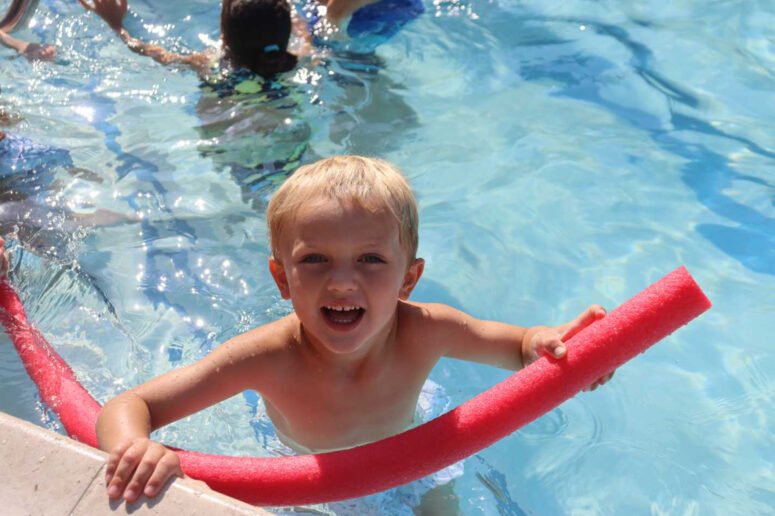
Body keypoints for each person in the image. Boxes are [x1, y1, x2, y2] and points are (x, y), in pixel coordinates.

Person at [89, 155, 614, 508]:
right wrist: (137, 447)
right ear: (282, 279)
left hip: (415, 457)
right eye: (314, 259)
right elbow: (128, 406)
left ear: (409, 278)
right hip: (305, 475)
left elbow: (522, 348)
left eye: (370, 259)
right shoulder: (264, 357)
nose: (342, 282)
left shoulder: (427, 331)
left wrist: (556, 346)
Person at [76, 0, 406, 79]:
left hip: (238, 148)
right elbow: (295, 21)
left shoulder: (208, 63)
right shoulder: (300, 54)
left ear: (224, 38)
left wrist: (115, 25)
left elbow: (149, 51)